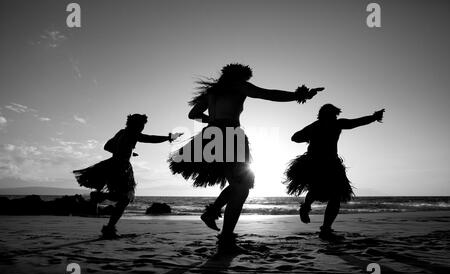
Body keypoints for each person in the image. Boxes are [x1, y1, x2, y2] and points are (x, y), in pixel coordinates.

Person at [168, 63, 323, 252]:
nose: (246, 82)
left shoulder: (212, 91)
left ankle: (215, 218)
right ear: (240, 76)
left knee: (239, 184)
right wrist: (299, 95)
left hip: (211, 136)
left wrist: (213, 121)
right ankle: (225, 239)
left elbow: (193, 114)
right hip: (230, 135)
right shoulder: (238, 85)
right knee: (242, 187)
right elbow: (269, 94)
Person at [284, 104, 385, 240]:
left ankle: (323, 225)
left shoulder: (322, 125)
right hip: (317, 163)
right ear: (325, 115)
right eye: (331, 115)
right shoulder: (325, 125)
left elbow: (355, 122)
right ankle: (311, 213)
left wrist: (373, 117)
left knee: (332, 195)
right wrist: (374, 117)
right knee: (320, 191)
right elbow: (295, 137)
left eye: (334, 115)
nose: (333, 117)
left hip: (329, 163)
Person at [73, 114, 182, 239]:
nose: (142, 128)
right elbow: (150, 138)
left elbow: (107, 146)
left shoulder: (122, 132)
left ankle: (108, 226)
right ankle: (106, 218)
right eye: (141, 125)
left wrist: (128, 150)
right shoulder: (132, 133)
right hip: (120, 167)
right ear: (135, 125)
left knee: (122, 198)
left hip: (111, 164)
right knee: (124, 198)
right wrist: (169, 137)